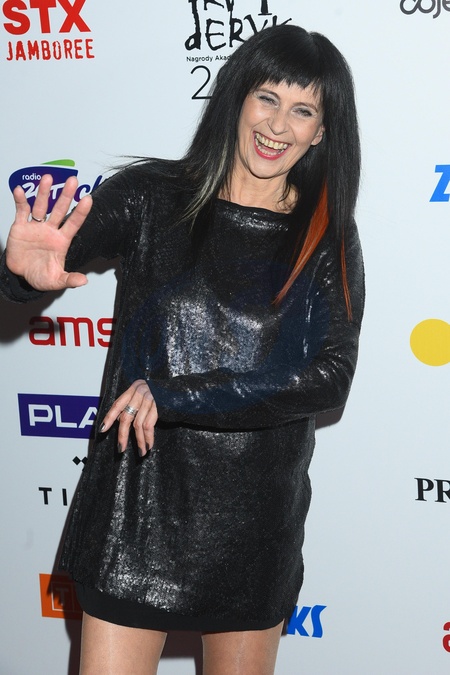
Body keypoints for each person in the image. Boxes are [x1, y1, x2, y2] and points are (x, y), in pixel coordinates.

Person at [0, 24, 364, 675]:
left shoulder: (324, 233)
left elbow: (328, 377)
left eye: (303, 110)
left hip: (252, 523)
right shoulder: (150, 197)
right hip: (136, 510)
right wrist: (20, 276)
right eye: (267, 97)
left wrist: (173, 395)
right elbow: (49, 262)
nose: (278, 124)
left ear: (321, 132)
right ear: (237, 98)